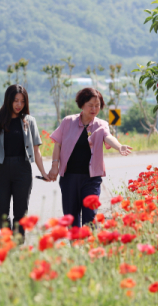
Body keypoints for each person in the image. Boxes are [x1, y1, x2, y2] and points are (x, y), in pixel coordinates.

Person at [48, 87, 132, 227]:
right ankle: (75, 248)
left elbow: (108, 137)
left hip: (91, 179)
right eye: (90, 105)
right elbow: (58, 144)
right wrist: (54, 166)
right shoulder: (68, 122)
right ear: (82, 105)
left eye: (97, 105)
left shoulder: (101, 124)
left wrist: (119, 147)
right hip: (69, 178)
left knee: (90, 219)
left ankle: (89, 247)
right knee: (71, 219)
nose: (94, 109)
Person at [0, 84, 49, 242]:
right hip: (1, 169)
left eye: (22, 101)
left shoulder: (29, 121)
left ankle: (17, 244)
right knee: (0, 210)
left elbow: (36, 151)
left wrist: (43, 172)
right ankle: (7, 238)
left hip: (23, 169)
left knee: (20, 211)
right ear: (8, 100)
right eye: (15, 100)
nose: (19, 104)